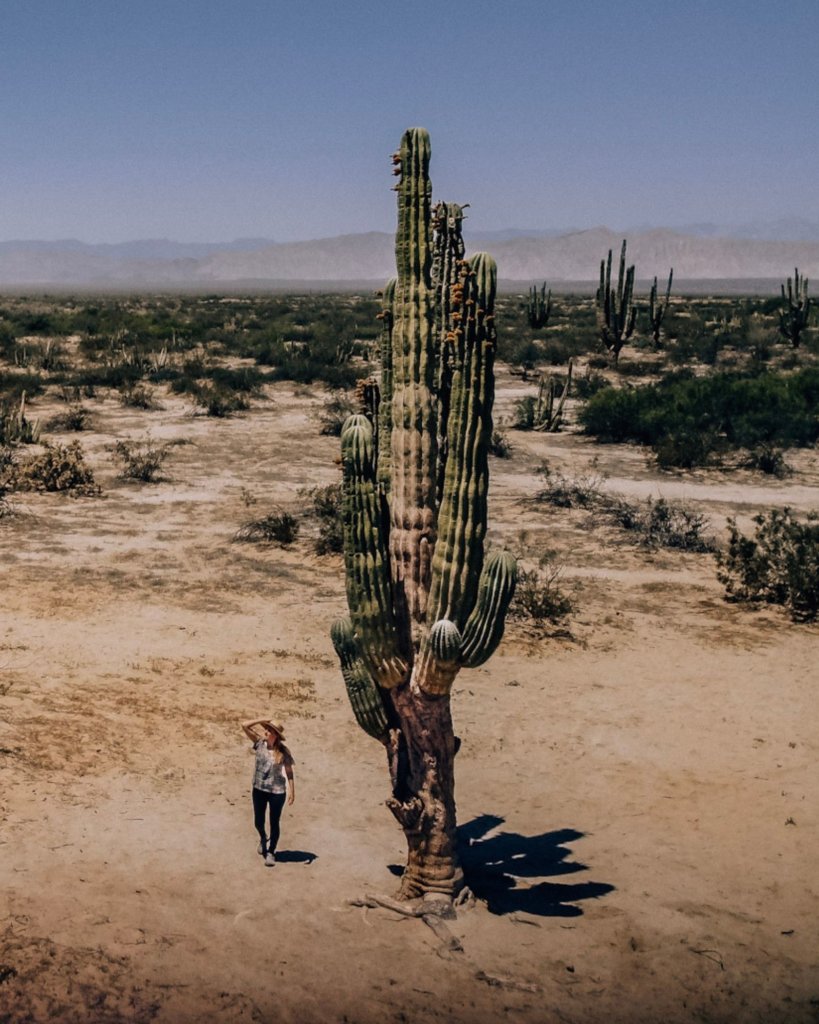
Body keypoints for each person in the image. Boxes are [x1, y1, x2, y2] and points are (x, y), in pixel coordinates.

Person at [241, 717, 295, 867]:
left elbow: (289, 772)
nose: (266, 732)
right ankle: (263, 838)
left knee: (274, 822)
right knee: (258, 821)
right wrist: (263, 719)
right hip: (259, 789)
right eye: (267, 729)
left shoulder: (283, 752)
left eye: (270, 730)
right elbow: (244, 725)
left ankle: (271, 852)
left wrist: (292, 791)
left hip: (277, 792)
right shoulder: (259, 743)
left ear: (276, 735)